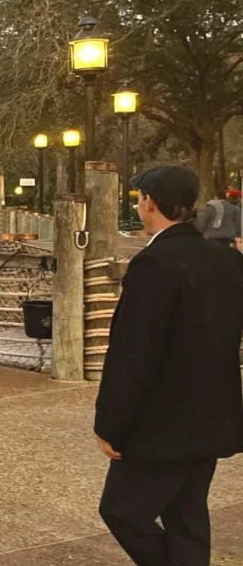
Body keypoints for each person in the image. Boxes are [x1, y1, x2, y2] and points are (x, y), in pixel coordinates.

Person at [95, 165, 243, 566]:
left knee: (122, 511)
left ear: (150, 202)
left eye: (139, 199)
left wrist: (110, 423)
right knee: (187, 514)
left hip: (161, 423)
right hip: (212, 413)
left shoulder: (153, 263)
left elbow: (133, 353)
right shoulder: (227, 261)